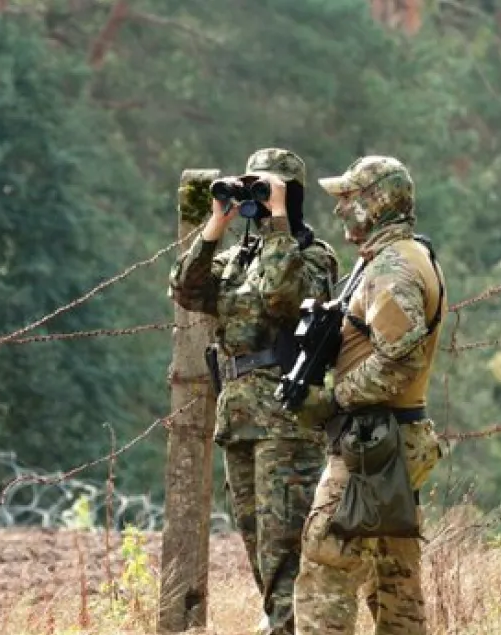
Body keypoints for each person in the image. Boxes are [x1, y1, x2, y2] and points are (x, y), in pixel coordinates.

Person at [169, 148, 341, 635]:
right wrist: (215, 224)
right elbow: (185, 289)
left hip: (285, 421)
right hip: (240, 417)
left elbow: (282, 299)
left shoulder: (312, 254)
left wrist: (279, 222)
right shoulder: (235, 259)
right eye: (254, 190)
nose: (259, 200)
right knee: (258, 554)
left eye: (267, 189)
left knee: (285, 552)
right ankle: (281, 626)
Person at [290, 155, 448, 635]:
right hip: (393, 438)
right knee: (393, 579)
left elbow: (400, 361)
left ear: (375, 205)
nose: (340, 211)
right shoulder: (400, 257)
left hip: (375, 443)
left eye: (350, 200)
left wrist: (334, 398)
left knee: (325, 562)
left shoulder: (393, 267)